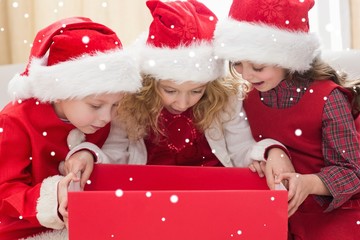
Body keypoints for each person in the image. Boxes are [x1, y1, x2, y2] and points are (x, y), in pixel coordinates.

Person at [63, 0, 294, 188]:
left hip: (214, 188)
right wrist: (89, 154)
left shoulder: (224, 101)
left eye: (196, 91)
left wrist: (269, 151)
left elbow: (241, 148)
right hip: (151, 191)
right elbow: (115, 154)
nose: (183, 102)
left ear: (210, 84)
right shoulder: (132, 104)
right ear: (151, 83)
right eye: (170, 90)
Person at [213, 0, 360, 239]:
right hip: (280, 215)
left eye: (258, 67)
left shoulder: (328, 98)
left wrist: (310, 183)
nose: (246, 75)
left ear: (288, 59)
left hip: (332, 217)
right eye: (237, 63)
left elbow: (353, 173)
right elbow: (245, 148)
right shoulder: (249, 99)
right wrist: (264, 156)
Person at [0, 17, 141, 240]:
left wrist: (90, 154)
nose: (106, 117)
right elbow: (4, 191)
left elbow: (121, 161)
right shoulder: (15, 121)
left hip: (90, 222)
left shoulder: (104, 119)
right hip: (25, 230)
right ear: (60, 92)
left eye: (116, 105)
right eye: (96, 105)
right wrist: (52, 197)